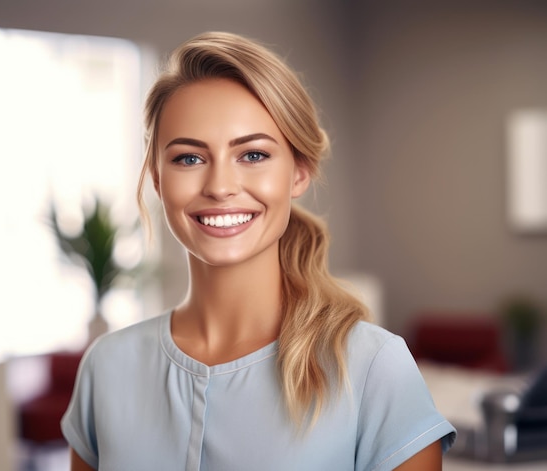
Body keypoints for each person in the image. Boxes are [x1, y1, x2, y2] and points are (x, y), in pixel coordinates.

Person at [61, 31, 456, 471]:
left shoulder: (374, 369)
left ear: (299, 172)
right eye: (189, 159)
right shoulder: (106, 367)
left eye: (252, 155)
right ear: (157, 180)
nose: (220, 187)